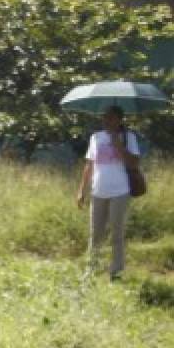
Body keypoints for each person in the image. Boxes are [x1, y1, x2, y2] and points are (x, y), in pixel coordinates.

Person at [76, 105, 140, 280]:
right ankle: (91, 270)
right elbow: (89, 165)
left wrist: (119, 146)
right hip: (98, 191)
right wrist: (82, 190)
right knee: (95, 234)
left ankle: (116, 272)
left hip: (120, 191)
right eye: (104, 117)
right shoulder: (96, 137)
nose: (106, 121)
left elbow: (134, 163)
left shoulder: (129, 137)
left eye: (110, 117)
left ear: (120, 120)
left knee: (117, 233)